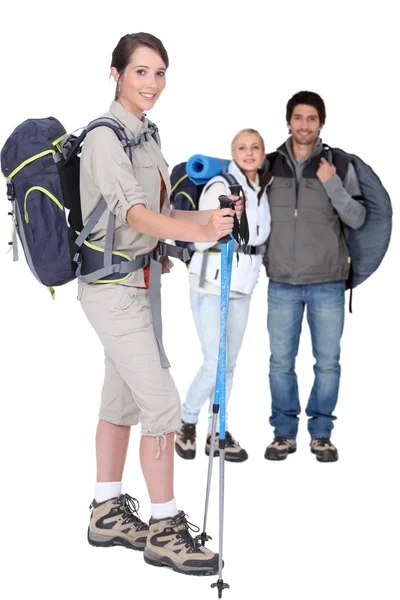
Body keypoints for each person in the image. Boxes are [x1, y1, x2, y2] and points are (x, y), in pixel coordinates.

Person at [78, 32, 243, 576]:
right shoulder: (105, 138)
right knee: (164, 405)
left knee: (122, 400)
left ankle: (106, 510)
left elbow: (168, 212)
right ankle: (166, 528)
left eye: (160, 73)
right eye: (141, 71)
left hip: (142, 284)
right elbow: (137, 218)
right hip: (111, 288)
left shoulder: (147, 136)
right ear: (116, 73)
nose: (152, 83)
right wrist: (193, 233)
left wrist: (215, 219)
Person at [263, 91, 366, 463]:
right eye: (298, 118)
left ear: (321, 123)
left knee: (327, 362)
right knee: (279, 362)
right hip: (282, 282)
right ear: (288, 121)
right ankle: (283, 434)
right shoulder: (269, 164)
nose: (304, 125)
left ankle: (321, 433)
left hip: (327, 281)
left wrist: (332, 184)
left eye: (311, 119)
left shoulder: (337, 163)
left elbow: (357, 217)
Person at [175, 129, 271, 462]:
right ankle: (186, 421)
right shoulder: (220, 186)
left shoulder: (262, 190)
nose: (249, 153)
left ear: (263, 153)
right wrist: (231, 216)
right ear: (232, 153)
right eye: (242, 148)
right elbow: (201, 237)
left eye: (255, 147)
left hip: (242, 287)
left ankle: (217, 431)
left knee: (228, 365)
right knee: (215, 362)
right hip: (211, 285)